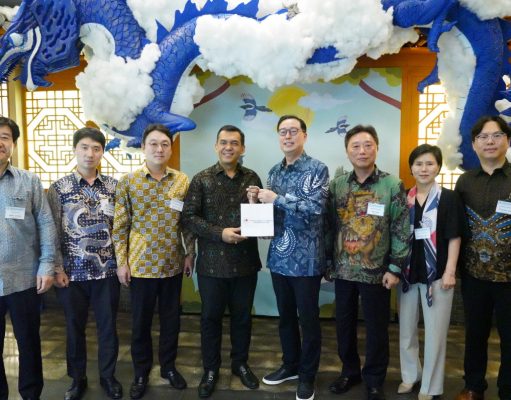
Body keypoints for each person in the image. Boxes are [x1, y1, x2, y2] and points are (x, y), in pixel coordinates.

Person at [247, 115, 329, 400]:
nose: (288, 136)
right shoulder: (274, 172)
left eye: (294, 131)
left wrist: (276, 199)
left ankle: (307, 376)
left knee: (309, 320)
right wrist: (255, 203)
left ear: (304, 135)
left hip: (307, 261)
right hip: (280, 258)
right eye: (283, 132)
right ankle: (290, 365)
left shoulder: (318, 168)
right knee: (285, 318)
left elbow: (316, 209)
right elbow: (270, 220)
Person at [113, 124, 195, 400]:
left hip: (172, 264)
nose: (159, 149)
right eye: (153, 144)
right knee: (140, 324)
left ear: (170, 148)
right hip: (141, 267)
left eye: (164, 144)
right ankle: (141, 372)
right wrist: (122, 262)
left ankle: (168, 367)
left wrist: (190, 253)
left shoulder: (181, 181)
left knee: (172, 322)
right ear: (143, 147)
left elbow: (186, 223)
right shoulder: (128, 182)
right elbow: (120, 226)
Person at [327, 124, 409, 400]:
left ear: (376, 148)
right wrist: (328, 262)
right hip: (343, 270)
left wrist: (395, 267)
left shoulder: (392, 185)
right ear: (347, 151)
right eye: (356, 146)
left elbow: (400, 228)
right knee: (344, 326)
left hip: (377, 272)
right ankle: (349, 371)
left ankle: (374, 379)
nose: (362, 151)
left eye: (367, 145)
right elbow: (330, 225)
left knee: (376, 329)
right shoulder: (338, 185)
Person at [182, 125, 262, 398]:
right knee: (210, 319)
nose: (229, 147)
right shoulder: (202, 179)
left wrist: (255, 204)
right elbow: (189, 217)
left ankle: (240, 364)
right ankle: (210, 370)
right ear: (216, 146)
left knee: (242, 319)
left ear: (242, 148)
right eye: (224, 142)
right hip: (211, 266)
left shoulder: (252, 178)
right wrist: (220, 233)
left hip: (245, 263)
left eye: (234, 143)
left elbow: (261, 219)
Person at [48, 128, 122, 400]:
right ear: (75, 150)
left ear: (102, 152)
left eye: (96, 148)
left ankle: (108, 376)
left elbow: (121, 229)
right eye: (84, 147)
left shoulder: (114, 187)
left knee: (108, 327)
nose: (90, 153)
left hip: (107, 271)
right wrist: (57, 268)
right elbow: (52, 230)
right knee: (74, 328)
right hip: (71, 274)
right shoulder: (60, 188)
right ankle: (77, 379)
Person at [397, 144, 464, 400]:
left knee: (435, 334)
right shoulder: (404, 197)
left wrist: (450, 271)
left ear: (438, 167)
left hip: (437, 274)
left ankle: (430, 386)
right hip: (407, 273)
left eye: (429, 163)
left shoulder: (449, 198)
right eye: (418, 164)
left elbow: (454, 236)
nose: (424, 169)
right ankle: (410, 376)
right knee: (406, 331)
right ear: (411, 168)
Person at [454, 115, 511, 400]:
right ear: (474, 144)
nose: (490, 141)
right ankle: (474, 386)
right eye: (483, 137)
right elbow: (456, 226)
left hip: (509, 277)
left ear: (507, 141)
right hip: (474, 275)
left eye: (497, 135)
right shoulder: (465, 182)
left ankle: (507, 389)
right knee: (474, 333)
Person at [0, 116, 56, 400]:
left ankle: (31, 395)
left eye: (5, 137)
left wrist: (47, 264)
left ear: (13, 143)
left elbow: (46, 223)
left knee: (29, 343)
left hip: (23, 277)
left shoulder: (29, 181)